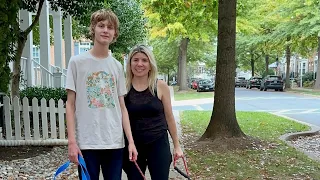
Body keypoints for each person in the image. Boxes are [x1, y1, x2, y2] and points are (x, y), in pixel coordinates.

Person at [65, 9, 137, 180]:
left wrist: (131, 142)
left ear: (115, 33)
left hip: (114, 142)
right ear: (93, 29)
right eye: (101, 25)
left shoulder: (117, 66)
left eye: (110, 27)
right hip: (86, 142)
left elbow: (122, 107)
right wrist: (72, 142)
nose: (105, 30)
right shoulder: (76, 62)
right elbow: (70, 104)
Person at [123, 45, 183, 180]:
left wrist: (177, 146)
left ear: (150, 65)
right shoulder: (123, 88)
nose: (140, 64)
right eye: (136, 60)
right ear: (130, 63)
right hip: (133, 146)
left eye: (144, 60)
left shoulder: (160, 86)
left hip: (158, 144)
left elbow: (169, 117)